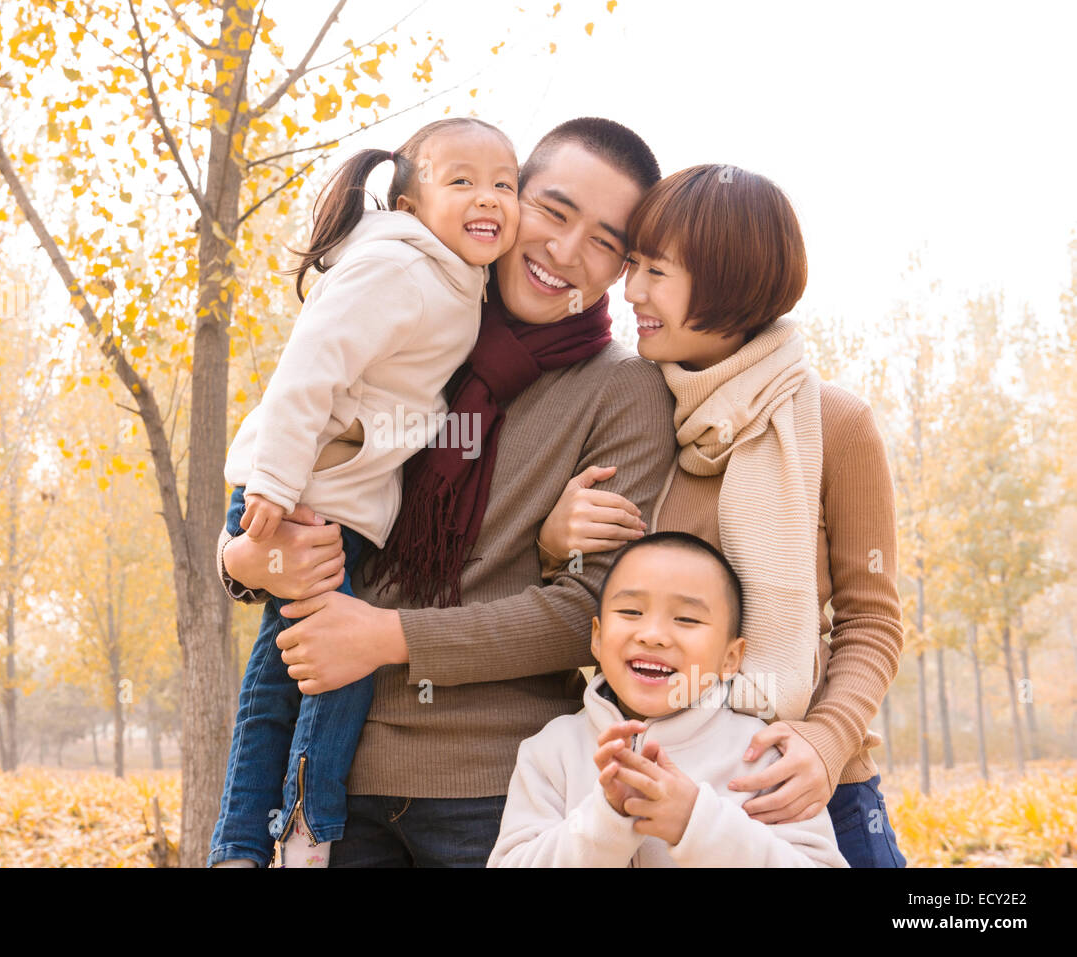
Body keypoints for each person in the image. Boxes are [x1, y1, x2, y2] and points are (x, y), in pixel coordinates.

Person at [217, 117, 676, 867]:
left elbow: (588, 615)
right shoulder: (411, 316)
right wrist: (238, 561)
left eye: (603, 242)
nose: (564, 251)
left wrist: (389, 636)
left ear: (621, 269)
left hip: (496, 790)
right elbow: (292, 465)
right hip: (340, 777)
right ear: (513, 201)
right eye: (553, 213)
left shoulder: (622, 391)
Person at [535, 164, 908, 867]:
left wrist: (825, 741)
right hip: (655, 782)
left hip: (800, 785)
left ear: (731, 285)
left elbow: (873, 618)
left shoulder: (835, 424)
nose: (632, 288)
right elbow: (602, 602)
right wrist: (555, 542)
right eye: (634, 264)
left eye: (658, 271)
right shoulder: (634, 411)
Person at [209, 117, 522, 868]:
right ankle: (295, 831)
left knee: (296, 671)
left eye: (505, 185)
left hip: (332, 499)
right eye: (463, 182)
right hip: (295, 495)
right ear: (411, 209)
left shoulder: (458, 279)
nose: (489, 198)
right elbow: (309, 363)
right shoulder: (397, 267)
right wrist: (274, 491)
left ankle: (247, 843)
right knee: (318, 675)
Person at [487, 532, 848, 867]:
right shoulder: (551, 751)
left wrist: (696, 823)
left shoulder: (761, 757)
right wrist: (606, 819)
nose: (653, 635)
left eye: (687, 618)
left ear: (730, 658)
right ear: (597, 637)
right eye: (630, 612)